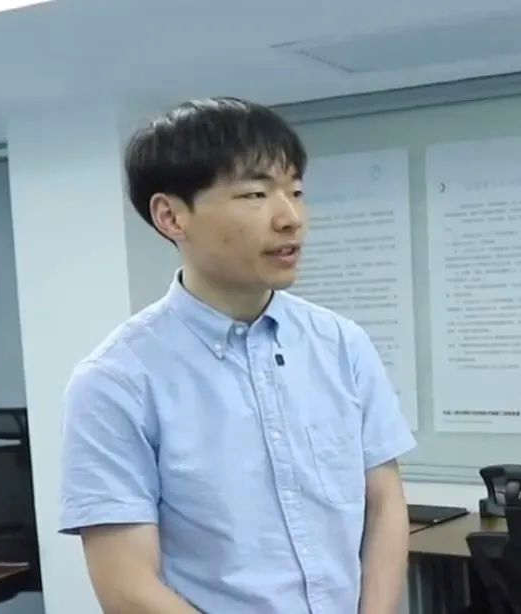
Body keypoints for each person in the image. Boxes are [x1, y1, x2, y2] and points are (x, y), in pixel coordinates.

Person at [59, 97, 416, 614]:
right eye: (255, 194)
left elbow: (384, 503)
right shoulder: (116, 381)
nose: (291, 218)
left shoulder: (341, 343)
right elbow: (127, 587)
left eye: (296, 192)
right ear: (171, 216)